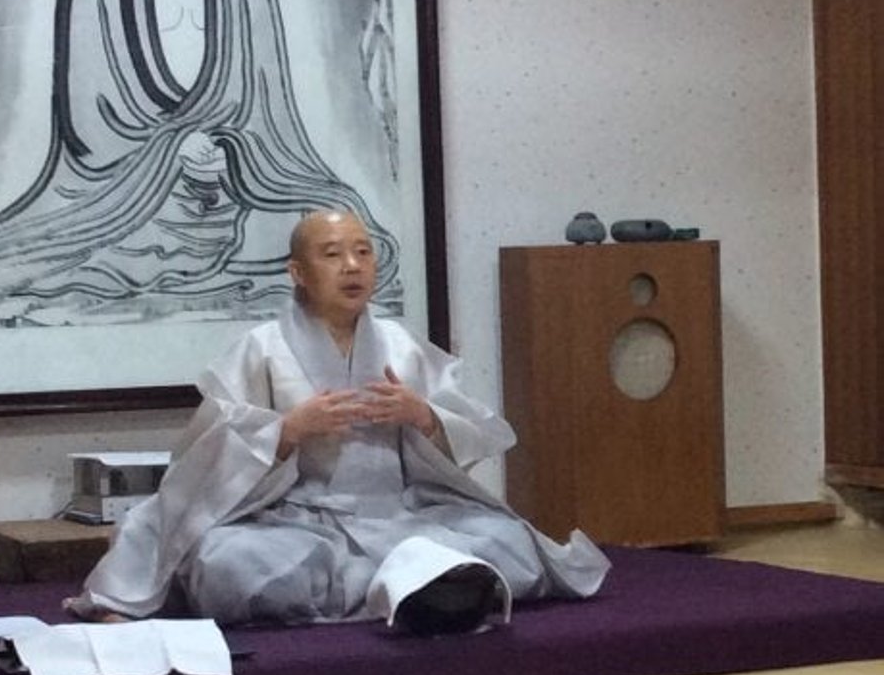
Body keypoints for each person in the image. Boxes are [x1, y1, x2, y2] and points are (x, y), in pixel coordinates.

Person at [69, 209, 609, 630]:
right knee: (230, 564)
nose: (352, 266)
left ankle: (397, 584)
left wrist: (423, 416)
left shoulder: (400, 345)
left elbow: (476, 431)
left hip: (402, 515)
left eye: (363, 252)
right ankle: (415, 587)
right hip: (295, 524)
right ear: (298, 272)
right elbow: (203, 456)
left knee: (507, 540)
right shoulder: (261, 349)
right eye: (332, 254)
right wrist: (287, 431)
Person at [0, 0, 398, 325]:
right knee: (48, 253)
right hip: (122, 194)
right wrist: (173, 151)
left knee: (330, 214)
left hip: (235, 184)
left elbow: (270, 113)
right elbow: (86, 126)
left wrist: (232, 152)